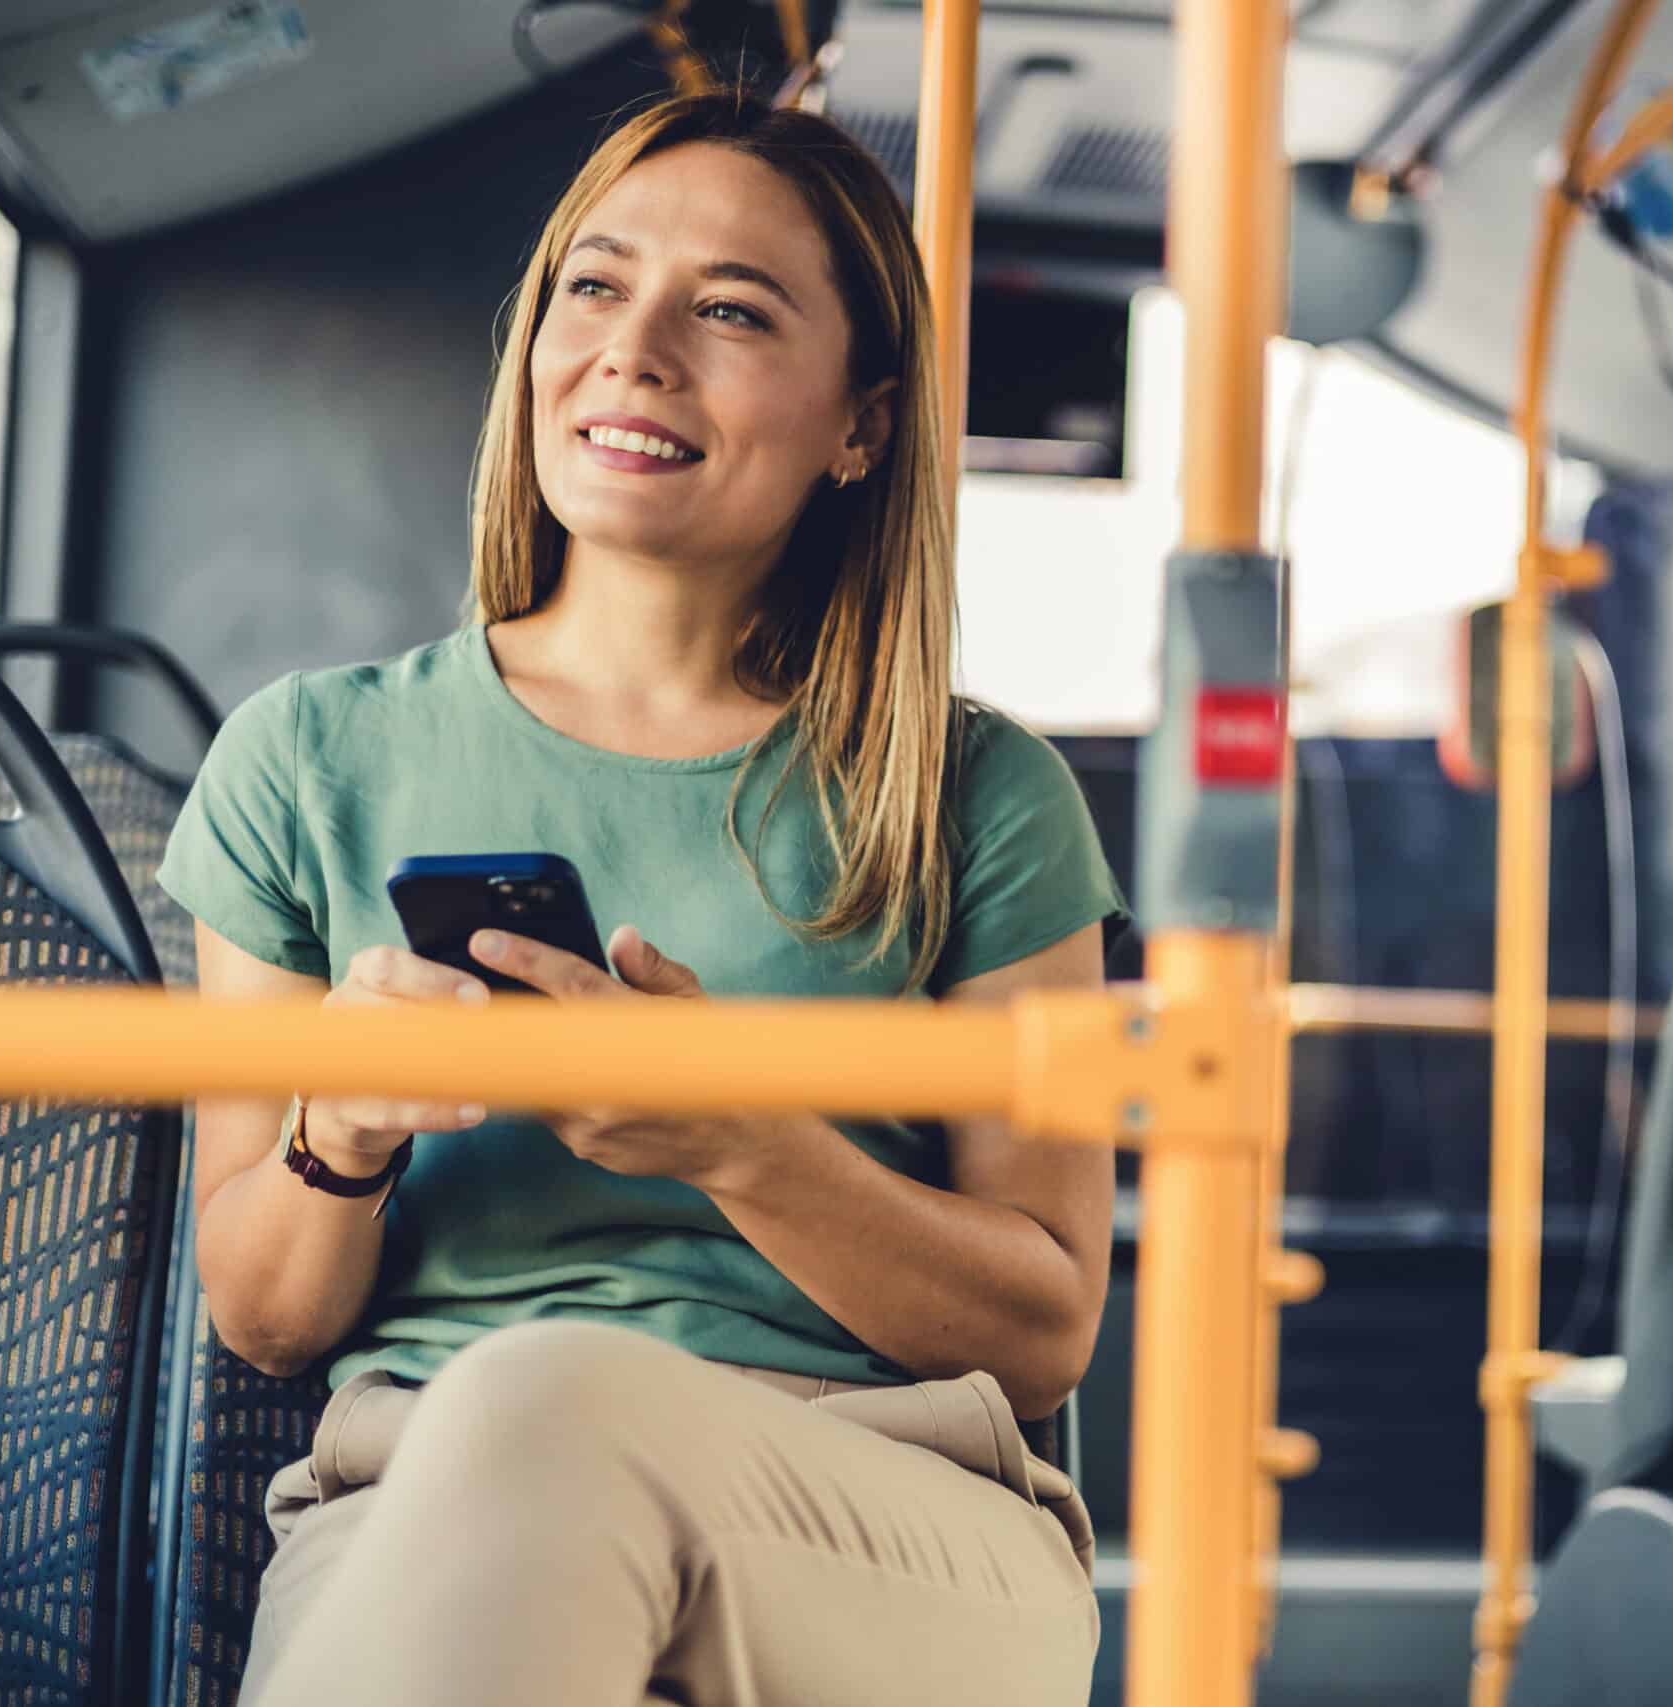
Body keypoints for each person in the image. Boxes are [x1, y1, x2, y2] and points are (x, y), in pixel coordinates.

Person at [156, 92, 1123, 1707]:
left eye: (730, 310)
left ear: (860, 426)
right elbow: (262, 1320)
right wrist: (346, 1132)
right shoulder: (305, 759)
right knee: (535, 1421)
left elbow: (1041, 1335)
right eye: (593, 287)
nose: (635, 347)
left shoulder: (976, 795)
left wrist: (731, 1135)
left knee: (560, 1400)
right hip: (416, 1500)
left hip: (882, 1515)